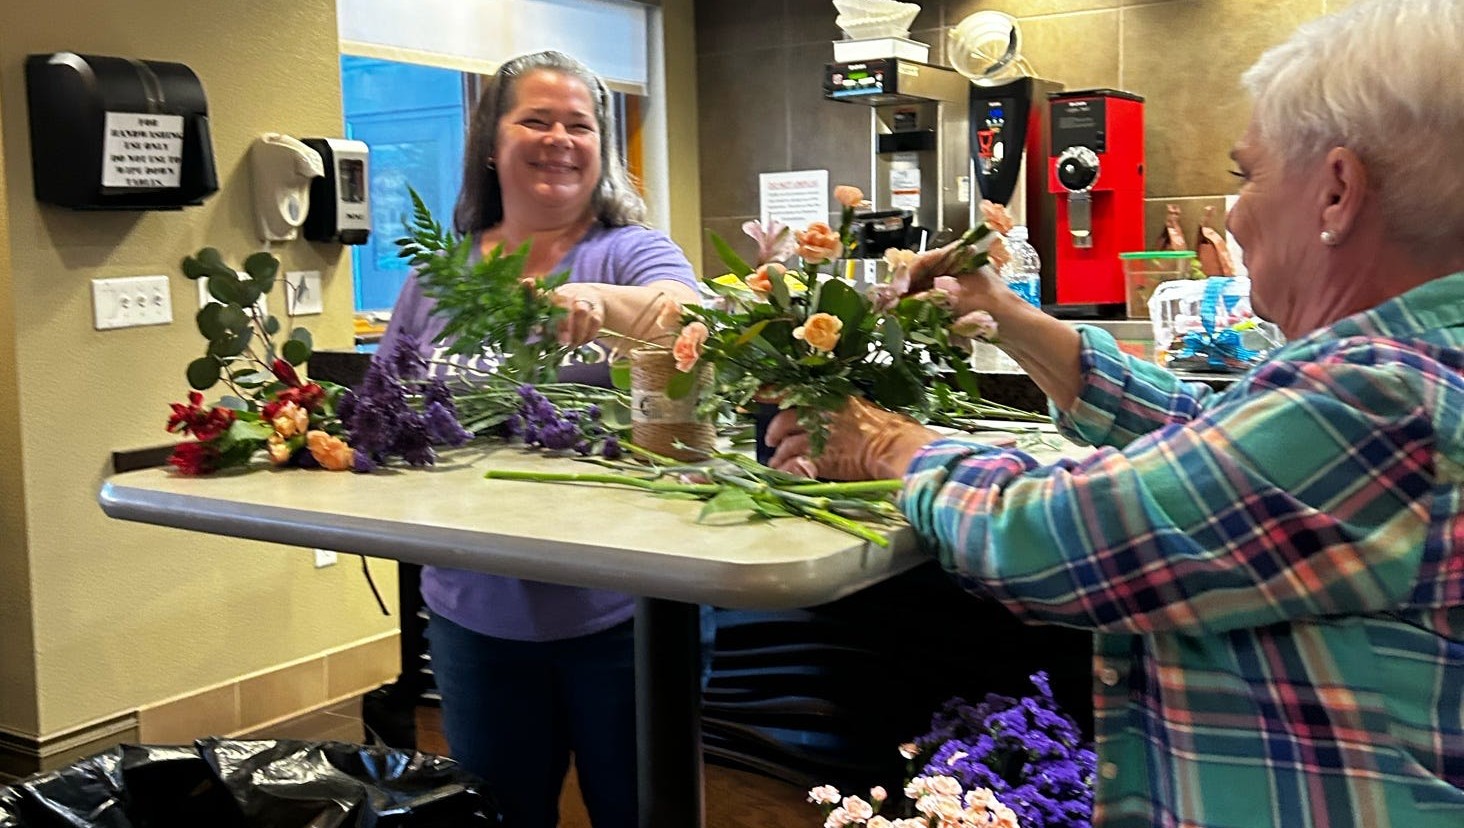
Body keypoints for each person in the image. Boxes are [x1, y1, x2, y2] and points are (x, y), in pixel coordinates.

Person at [765, 1, 1464, 825]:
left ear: (1338, 192)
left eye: (1246, 175)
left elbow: (1061, 536)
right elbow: (1217, 462)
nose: (1233, 217)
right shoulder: (1409, 366)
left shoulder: (1383, 395)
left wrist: (887, 442)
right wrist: (1019, 323)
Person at [375, 51, 699, 828]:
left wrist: (601, 300)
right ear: (492, 141)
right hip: (471, 613)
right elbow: (386, 408)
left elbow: (696, 321)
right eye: (537, 119)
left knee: (640, 812)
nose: (559, 138)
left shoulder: (628, 251)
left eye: (579, 124)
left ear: (602, 148)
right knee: (498, 816)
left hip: (623, 613)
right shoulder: (440, 278)